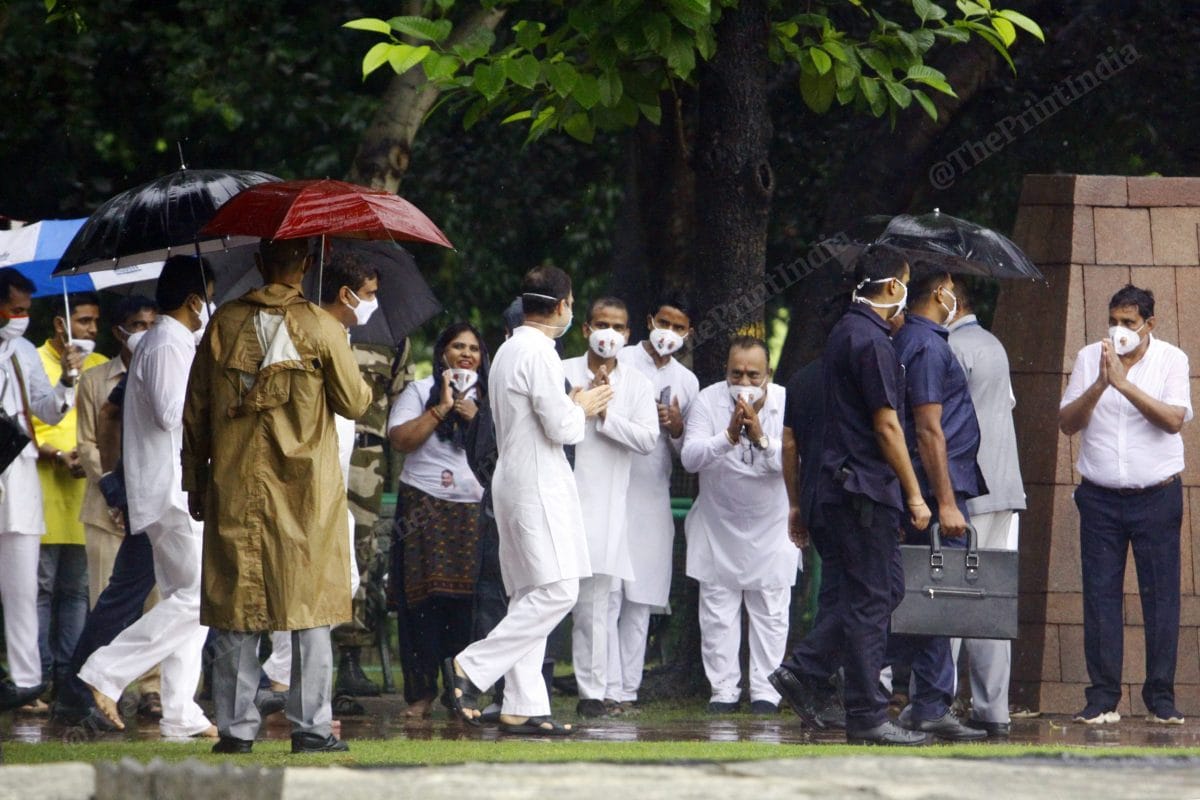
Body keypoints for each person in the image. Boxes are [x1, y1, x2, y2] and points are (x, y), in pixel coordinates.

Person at [183, 238, 371, 754]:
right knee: (309, 607)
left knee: (236, 606)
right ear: (307, 265)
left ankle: (236, 730)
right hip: (306, 490)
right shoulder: (323, 327)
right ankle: (310, 729)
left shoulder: (221, 325)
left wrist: (194, 481)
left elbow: (195, 412)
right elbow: (355, 402)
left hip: (235, 484)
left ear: (260, 264)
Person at [769, 244, 932, 746]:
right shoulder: (871, 341)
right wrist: (915, 495)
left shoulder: (847, 331)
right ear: (890, 287)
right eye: (904, 285)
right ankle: (865, 714)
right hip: (863, 489)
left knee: (881, 593)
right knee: (871, 600)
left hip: (839, 488)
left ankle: (808, 667)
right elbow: (886, 426)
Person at [443, 266, 611, 735]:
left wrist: (571, 402)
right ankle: (472, 667)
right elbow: (561, 428)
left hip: (514, 479)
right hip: (537, 481)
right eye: (571, 302)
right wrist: (584, 406)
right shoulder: (538, 352)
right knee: (559, 590)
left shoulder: (510, 351)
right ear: (561, 306)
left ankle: (524, 703)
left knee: (528, 594)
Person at [76, 255, 217, 738]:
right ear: (196, 300)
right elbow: (171, 414)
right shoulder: (167, 344)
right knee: (201, 599)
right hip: (171, 491)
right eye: (210, 298)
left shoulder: (169, 341)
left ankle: (181, 712)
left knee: (187, 599)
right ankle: (106, 671)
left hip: (170, 488)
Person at [1059, 284, 1192, 726]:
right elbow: (1067, 423)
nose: (1119, 331)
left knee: (1160, 598)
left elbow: (1174, 420)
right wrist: (1101, 382)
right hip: (1099, 496)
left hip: (1156, 494)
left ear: (1149, 325)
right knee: (1099, 596)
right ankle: (1102, 697)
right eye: (1113, 321)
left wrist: (1125, 384)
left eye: (1129, 324)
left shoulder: (1172, 360)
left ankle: (1160, 698)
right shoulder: (1087, 359)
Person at [259, 252, 384, 713]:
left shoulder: (341, 335)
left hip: (334, 484)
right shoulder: (302, 332)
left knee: (339, 584)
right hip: (305, 478)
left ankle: (280, 676)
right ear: (345, 293)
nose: (374, 302)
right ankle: (282, 683)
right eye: (368, 294)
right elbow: (354, 401)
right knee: (306, 583)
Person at [886, 266, 986, 742]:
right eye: (952, 290)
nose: (957, 299)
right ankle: (928, 703)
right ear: (941, 291)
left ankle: (927, 701)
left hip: (928, 489)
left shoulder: (913, 340)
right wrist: (946, 502)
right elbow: (928, 429)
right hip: (934, 492)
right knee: (937, 596)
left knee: (927, 596)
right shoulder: (926, 345)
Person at [681, 336, 794, 714]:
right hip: (718, 524)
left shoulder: (784, 401)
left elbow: (796, 462)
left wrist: (761, 438)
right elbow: (690, 458)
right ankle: (723, 692)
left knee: (772, 612)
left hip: (772, 526)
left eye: (752, 374)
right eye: (736, 373)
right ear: (725, 371)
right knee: (717, 614)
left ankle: (766, 693)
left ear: (768, 375)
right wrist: (728, 436)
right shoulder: (707, 400)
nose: (743, 381)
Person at [561, 297, 657, 717]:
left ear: (628, 335)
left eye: (618, 327)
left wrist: (604, 413)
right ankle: (521, 688)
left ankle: (593, 694)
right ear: (585, 329)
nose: (609, 334)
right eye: (601, 324)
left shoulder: (637, 384)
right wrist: (580, 402)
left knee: (596, 606)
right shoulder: (561, 371)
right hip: (560, 497)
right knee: (542, 596)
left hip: (605, 508)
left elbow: (647, 440)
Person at [387, 322, 488, 718]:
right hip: (422, 509)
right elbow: (400, 440)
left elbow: (501, 447)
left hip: (473, 510)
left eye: (474, 349)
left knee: (469, 604)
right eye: (457, 346)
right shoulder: (418, 390)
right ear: (442, 352)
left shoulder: (491, 396)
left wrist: (474, 416)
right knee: (421, 603)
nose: (466, 354)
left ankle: (462, 692)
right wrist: (442, 409)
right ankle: (420, 695)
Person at [73, 295, 162, 720]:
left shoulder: (163, 369)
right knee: (107, 603)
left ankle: (154, 690)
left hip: (150, 506)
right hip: (106, 507)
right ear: (119, 330)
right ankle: (91, 693)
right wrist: (112, 488)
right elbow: (88, 441)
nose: (143, 331)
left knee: (156, 603)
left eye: (150, 323)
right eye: (136, 324)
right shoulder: (96, 379)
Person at [612, 293, 699, 710]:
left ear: (689, 333)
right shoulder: (621, 360)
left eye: (678, 328)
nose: (669, 333)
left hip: (652, 495)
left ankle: (627, 690)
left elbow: (688, 454)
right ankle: (602, 687)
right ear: (649, 320)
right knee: (607, 593)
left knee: (640, 597)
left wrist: (678, 426)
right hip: (612, 488)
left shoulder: (688, 381)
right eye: (663, 323)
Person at [946, 279, 1025, 737]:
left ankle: (937, 702)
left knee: (950, 598)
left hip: (967, 490)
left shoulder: (950, 349)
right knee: (989, 600)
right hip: (1004, 489)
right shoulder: (993, 345)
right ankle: (993, 711)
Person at [0, 269, 82, 711]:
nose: (22, 318)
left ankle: (27, 682)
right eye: (15, 309)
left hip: (18, 472)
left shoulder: (25, 353)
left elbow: (48, 410)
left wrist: (68, 379)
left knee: (23, 586)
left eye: (27, 311)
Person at [33, 292, 106, 704]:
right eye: (83, 321)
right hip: (42, 491)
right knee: (41, 590)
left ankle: (69, 679)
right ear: (61, 325)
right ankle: (38, 679)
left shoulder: (97, 366)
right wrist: (58, 454)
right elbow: (24, 424)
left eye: (95, 321)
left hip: (84, 492)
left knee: (77, 591)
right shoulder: (35, 363)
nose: (92, 329)